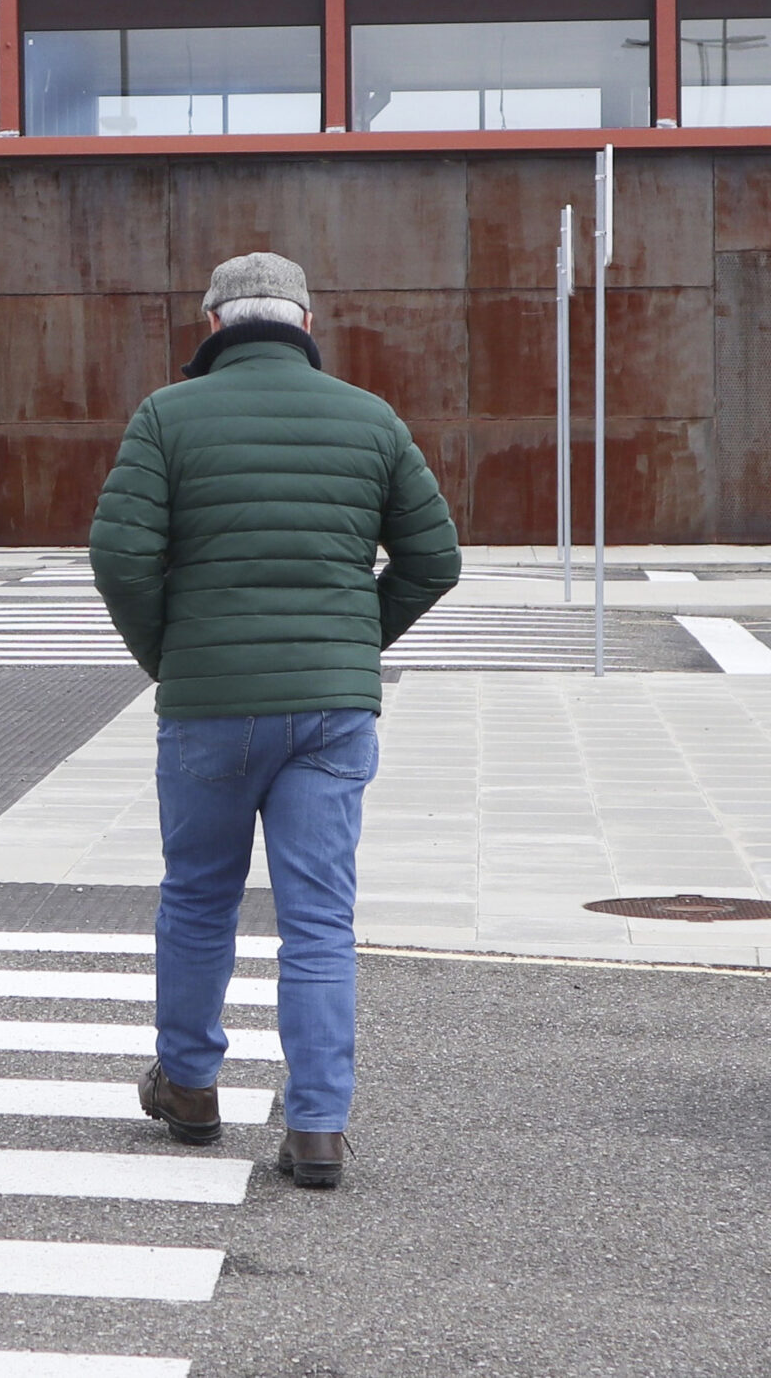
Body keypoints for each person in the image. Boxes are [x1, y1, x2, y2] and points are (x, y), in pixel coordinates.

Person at [89, 251, 461, 1189]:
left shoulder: (167, 416)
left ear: (213, 325)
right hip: (332, 715)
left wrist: (170, 654)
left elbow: (120, 557)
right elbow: (435, 557)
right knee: (319, 919)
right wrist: (353, 642)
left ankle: (189, 1087)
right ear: (305, 326)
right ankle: (318, 1128)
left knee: (198, 897)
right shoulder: (370, 417)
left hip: (210, 706)